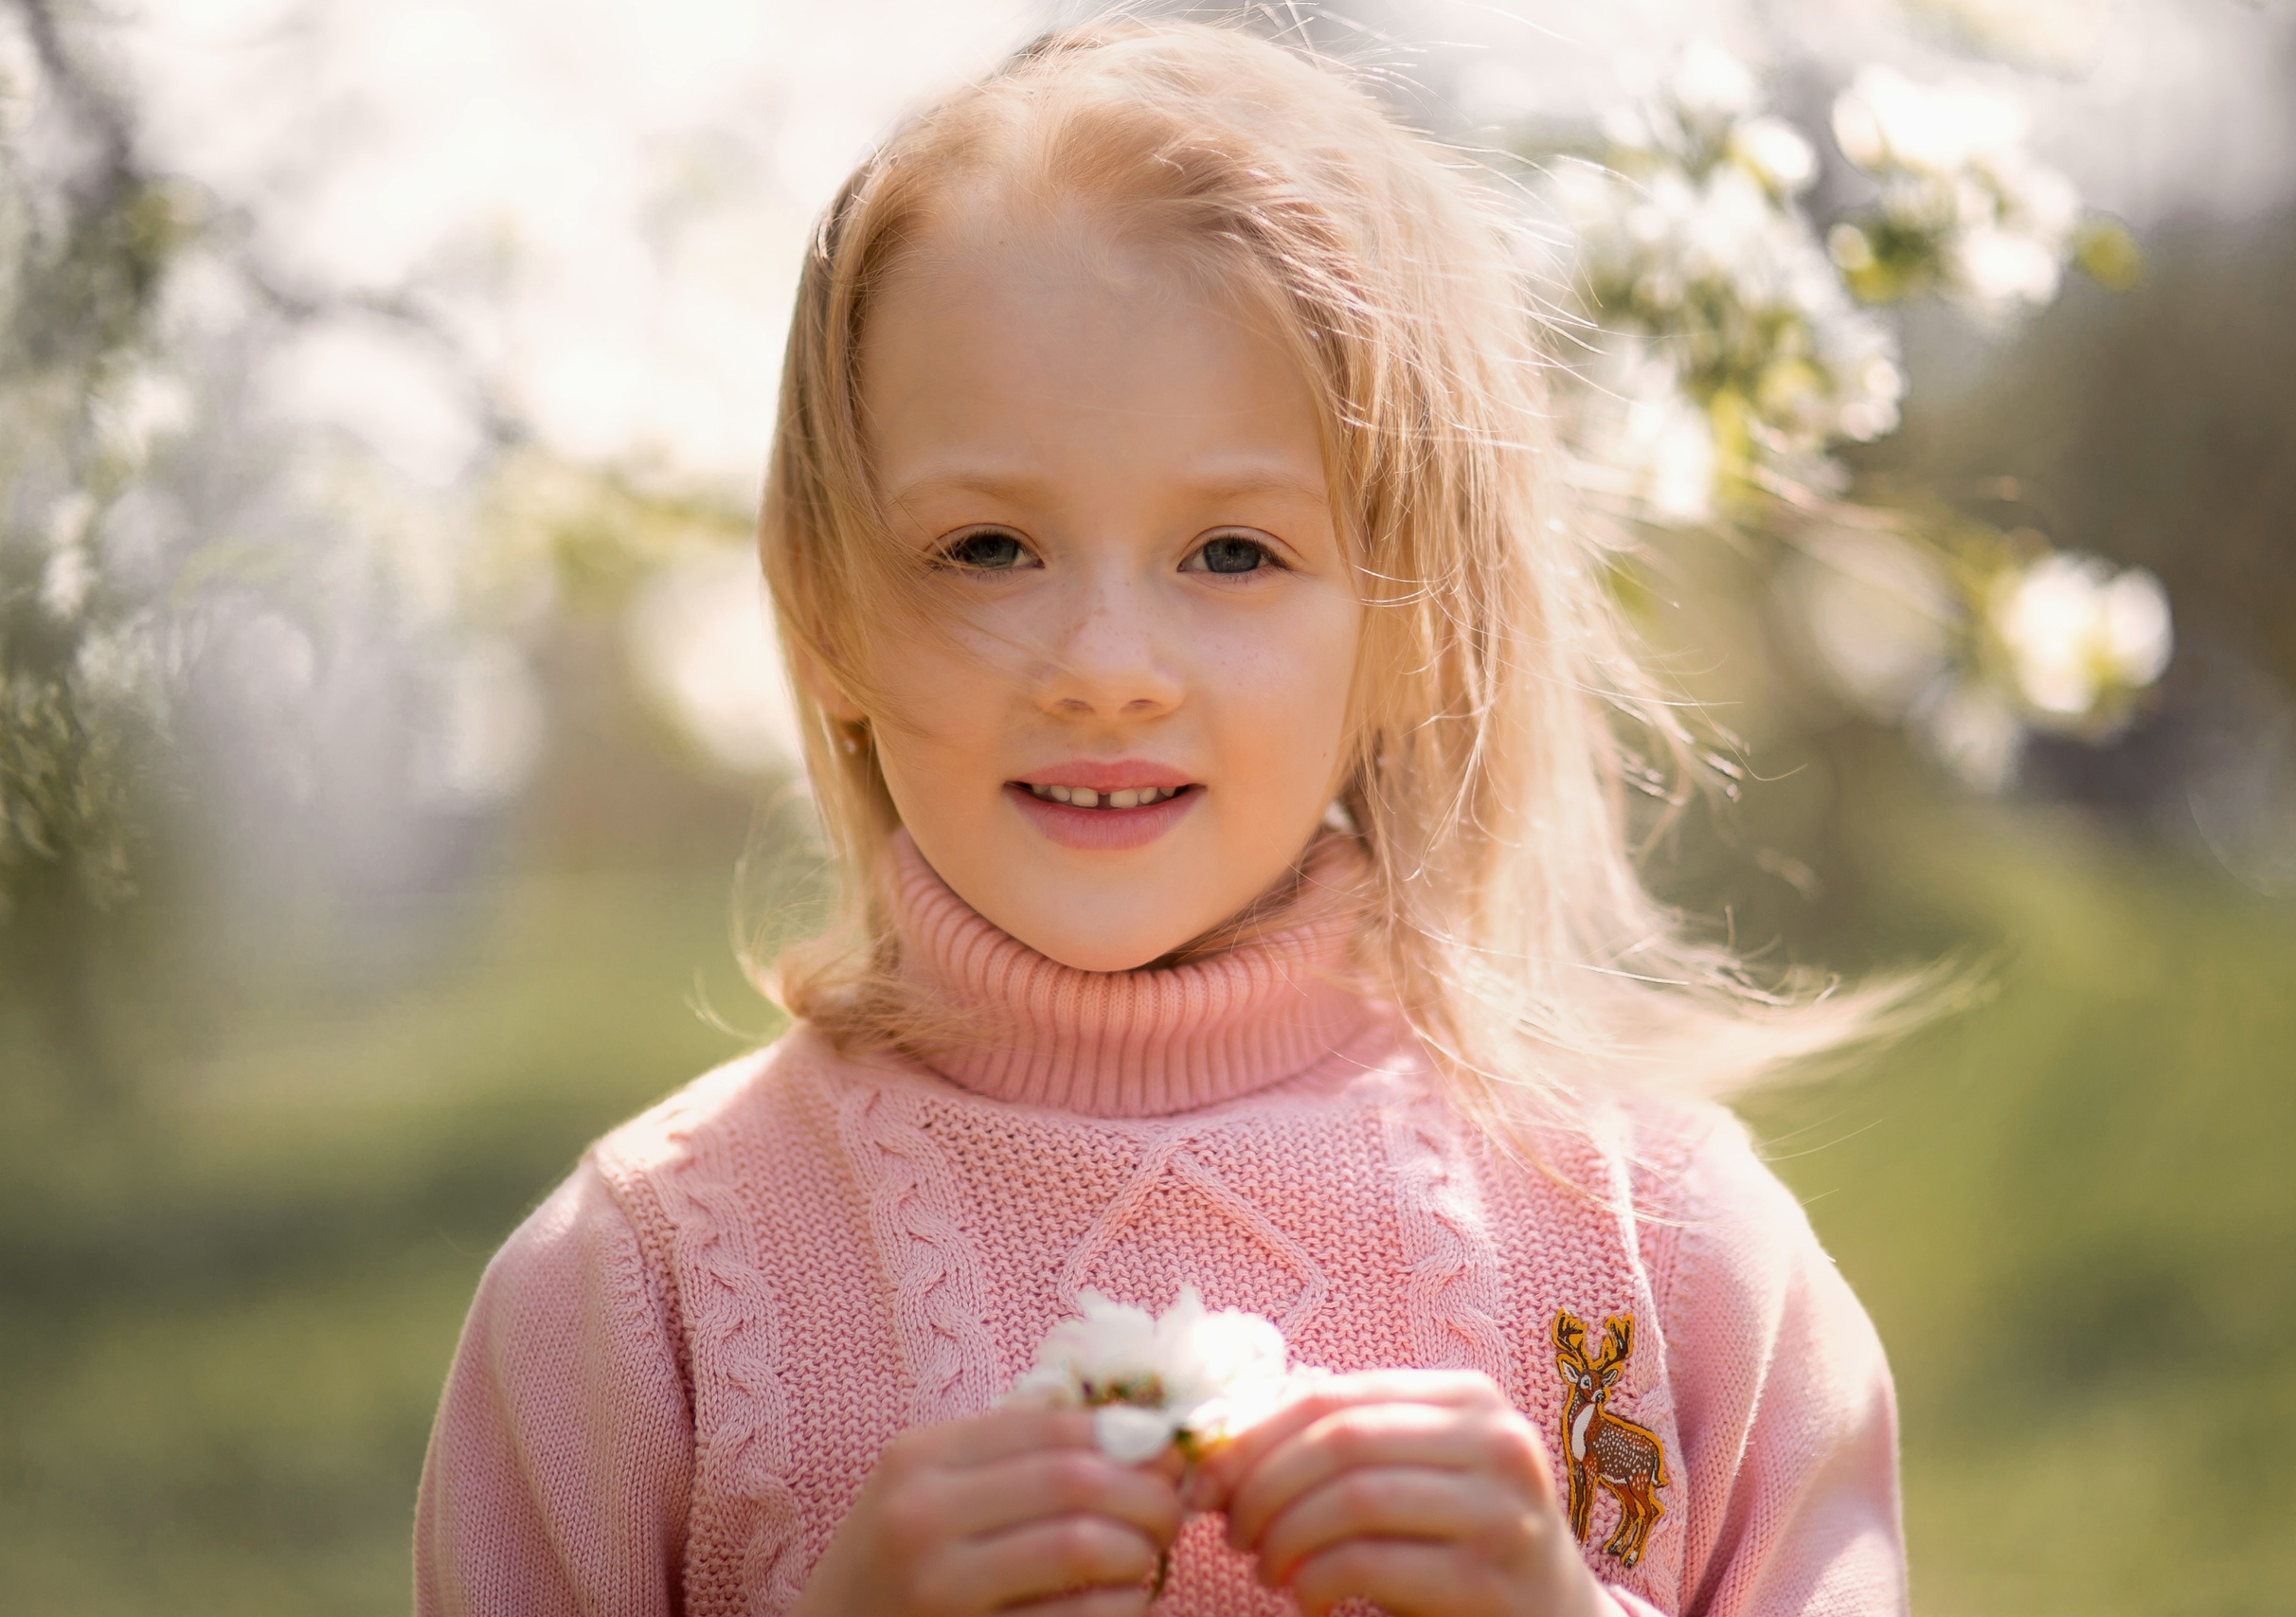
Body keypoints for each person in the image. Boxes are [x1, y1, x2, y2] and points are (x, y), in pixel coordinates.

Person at [415, 21, 1910, 1617]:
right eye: (988, 549)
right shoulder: (633, 1303)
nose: (1108, 671)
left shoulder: (1675, 1258)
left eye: (1233, 554)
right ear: (830, 610)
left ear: (1417, 623)